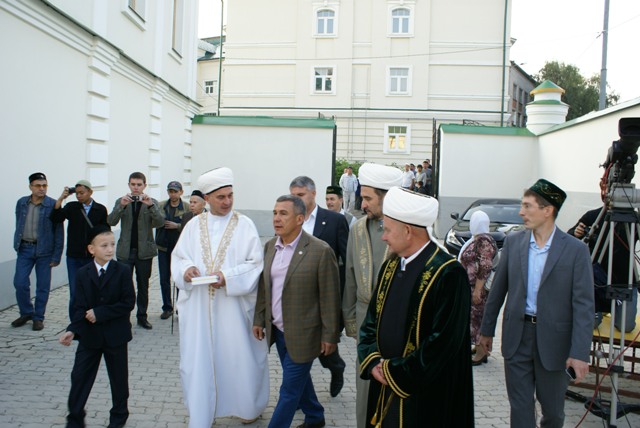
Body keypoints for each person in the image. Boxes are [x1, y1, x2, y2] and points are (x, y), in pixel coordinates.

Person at [479, 179, 594, 428]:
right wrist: (486, 331)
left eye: (527, 206)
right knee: (520, 408)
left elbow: (584, 306)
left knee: (553, 412)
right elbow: (497, 291)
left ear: (547, 210)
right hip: (517, 337)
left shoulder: (575, 250)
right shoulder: (514, 243)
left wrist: (579, 353)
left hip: (555, 343)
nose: (521, 212)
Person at [358, 187, 473, 427]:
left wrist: (396, 372)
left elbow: (443, 343)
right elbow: (370, 322)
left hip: (426, 397)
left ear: (408, 231)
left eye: (388, 230)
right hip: (383, 384)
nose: (384, 237)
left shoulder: (448, 273)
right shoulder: (390, 267)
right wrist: (373, 360)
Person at [171, 167, 268, 427]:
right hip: (199, 309)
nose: (227, 202)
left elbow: (255, 264)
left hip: (234, 309)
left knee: (239, 359)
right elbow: (179, 258)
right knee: (200, 361)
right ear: (206, 198)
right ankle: (205, 410)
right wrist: (187, 270)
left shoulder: (244, 225)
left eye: (230, 195)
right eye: (220, 197)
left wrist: (227, 276)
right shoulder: (193, 226)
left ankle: (246, 406)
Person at [253, 194, 341, 428]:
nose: (276, 218)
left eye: (283, 213)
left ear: (300, 219)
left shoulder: (320, 251)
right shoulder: (270, 247)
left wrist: (330, 335)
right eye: (274, 213)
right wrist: (259, 319)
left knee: (289, 390)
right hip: (278, 332)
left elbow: (330, 297)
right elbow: (264, 288)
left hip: (305, 334)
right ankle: (315, 416)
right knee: (300, 380)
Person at [341, 162, 402, 428]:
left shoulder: (406, 231)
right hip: (366, 321)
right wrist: (352, 324)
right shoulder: (357, 229)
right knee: (365, 387)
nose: (362, 204)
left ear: (387, 197)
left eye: (368, 198)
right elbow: (350, 277)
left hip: (397, 323)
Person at [59, 224, 135, 428]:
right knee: (79, 377)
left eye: (112, 244)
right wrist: (72, 329)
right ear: (91, 249)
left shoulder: (122, 271)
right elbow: (78, 306)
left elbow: (128, 303)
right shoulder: (82, 273)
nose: (110, 249)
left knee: (119, 380)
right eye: (104, 245)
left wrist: (100, 313)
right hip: (89, 336)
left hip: (115, 336)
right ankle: (75, 419)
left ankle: (118, 418)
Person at [290, 176, 348, 397]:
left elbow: (346, 261)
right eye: (293, 195)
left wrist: (344, 298)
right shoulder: (290, 218)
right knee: (297, 352)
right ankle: (298, 396)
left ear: (313, 194)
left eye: (300, 195)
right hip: (297, 297)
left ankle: (336, 366)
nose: (296, 200)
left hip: (324, 296)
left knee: (324, 348)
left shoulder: (334, 220)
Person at [568, 178, 639, 332]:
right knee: (590, 324)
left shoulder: (635, 219)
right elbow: (569, 237)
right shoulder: (593, 216)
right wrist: (576, 233)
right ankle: (601, 309)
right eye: (606, 188)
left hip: (625, 279)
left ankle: (615, 308)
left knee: (626, 327)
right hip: (597, 279)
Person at [107, 172, 164, 330]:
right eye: (133, 184)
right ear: (129, 185)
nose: (136, 188)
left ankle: (142, 316)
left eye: (139, 185)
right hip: (125, 251)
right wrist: (121, 206)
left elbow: (160, 222)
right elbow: (111, 221)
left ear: (144, 185)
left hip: (144, 251)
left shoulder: (152, 202)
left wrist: (151, 206)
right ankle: (124, 318)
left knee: (143, 286)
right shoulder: (121, 201)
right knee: (124, 286)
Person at [12, 172, 64, 331]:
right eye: (38, 186)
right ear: (30, 187)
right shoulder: (22, 203)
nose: (42, 188)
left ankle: (38, 317)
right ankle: (26, 312)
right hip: (25, 249)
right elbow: (19, 223)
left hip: (45, 251)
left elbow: (59, 232)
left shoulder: (53, 204)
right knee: (20, 282)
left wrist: (56, 255)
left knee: (43, 286)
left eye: (44, 185)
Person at [51, 179, 108, 319]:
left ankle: (91, 319)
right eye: (77, 193)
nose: (79, 196)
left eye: (82, 193)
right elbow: (56, 217)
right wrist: (61, 198)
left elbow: (105, 231)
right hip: (74, 257)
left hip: (92, 257)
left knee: (93, 290)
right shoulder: (72, 207)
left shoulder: (100, 209)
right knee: (75, 292)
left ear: (90, 192)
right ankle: (75, 322)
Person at [457, 210, 497, 365]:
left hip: (476, 288)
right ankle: (479, 347)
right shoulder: (480, 238)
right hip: (472, 287)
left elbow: (485, 266)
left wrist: (478, 291)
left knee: (477, 318)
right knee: (474, 317)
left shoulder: (483, 241)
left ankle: (481, 353)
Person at [155, 181, 187, 320]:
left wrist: (177, 226)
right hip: (163, 247)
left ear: (181, 192)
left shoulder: (186, 207)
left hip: (179, 249)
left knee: (179, 279)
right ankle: (167, 308)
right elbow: (154, 221)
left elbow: (189, 226)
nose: (173, 194)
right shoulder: (161, 205)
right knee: (164, 279)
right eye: (170, 191)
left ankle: (180, 307)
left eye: (175, 191)